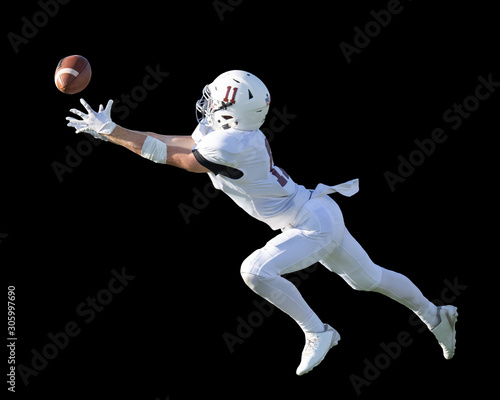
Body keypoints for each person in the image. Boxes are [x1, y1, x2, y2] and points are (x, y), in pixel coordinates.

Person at [66, 70, 458, 375]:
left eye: (215, 99)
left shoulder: (231, 143)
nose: (207, 103)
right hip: (316, 210)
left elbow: (173, 158)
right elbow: (174, 140)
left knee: (254, 271)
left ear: (230, 111)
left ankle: (319, 332)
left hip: (311, 222)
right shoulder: (231, 132)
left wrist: (112, 132)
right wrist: (114, 133)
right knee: (366, 280)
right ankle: (435, 313)